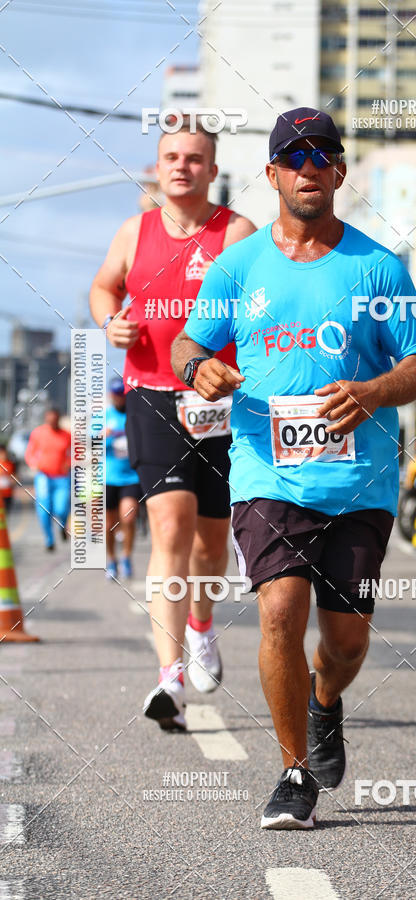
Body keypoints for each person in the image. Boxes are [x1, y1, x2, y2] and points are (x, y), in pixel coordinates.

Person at [172, 107, 416, 829]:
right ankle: (294, 771)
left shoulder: (377, 267)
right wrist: (198, 368)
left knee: (346, 643)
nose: (309, 167)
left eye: (322, 155)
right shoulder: (238, 266)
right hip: (268, 473)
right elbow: (188, 344)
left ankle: (325, 703)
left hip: (360, 482)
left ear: (340, 172)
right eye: (294, 157)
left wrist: (374, 391)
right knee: (281, 611)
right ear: (272, 175)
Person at [90, 122, 256, 724]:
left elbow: (262, 309)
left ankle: (202, 626)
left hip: (218, 399)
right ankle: (170, 678)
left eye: (193, 158)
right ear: (157, 168)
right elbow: (103, 288)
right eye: (170, 157)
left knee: (211, 542)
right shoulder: (133, 232)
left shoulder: (237, 234)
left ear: (212, 170)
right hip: (152, 395)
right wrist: (110, 322)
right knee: (169, 525)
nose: (181, 166)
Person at [105, 377, 141, 580]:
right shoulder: (104, 417)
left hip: (131, 476)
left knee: (128, 517)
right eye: (116, 394)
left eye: (122, 394)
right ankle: (112, 560)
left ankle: (126, 556)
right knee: (108, 525)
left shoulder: (135, 415)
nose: (119, 398)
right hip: (108, 477)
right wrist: (102, 436)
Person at [24, 409, 71, 551]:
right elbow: (29, 453)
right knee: (44, 510)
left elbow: (76, 453)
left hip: (61, 478)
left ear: (58, 420)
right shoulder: (38, 433)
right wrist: (33, 463)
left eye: (54, 420)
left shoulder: (66, 435)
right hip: (43, 477)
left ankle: (62, 525)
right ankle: (49, 540)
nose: (52, 423)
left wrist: (69, 463)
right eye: (49, 420)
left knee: (61, 508)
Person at [0, 445, 17, 514]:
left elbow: (15, 478)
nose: (3, 455)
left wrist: (11, 479)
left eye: (4, 453)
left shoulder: (10, 464)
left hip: (8, 493)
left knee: (6, 512)